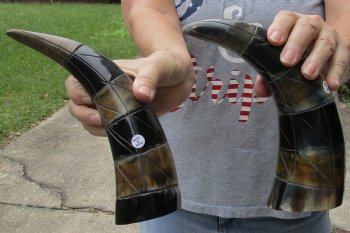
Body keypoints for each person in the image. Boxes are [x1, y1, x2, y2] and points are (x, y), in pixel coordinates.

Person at [65, 0, 350, 232]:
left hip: (298, 206)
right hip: (174, 200)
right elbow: (148, 7)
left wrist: (334, 52)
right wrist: (170, 60)